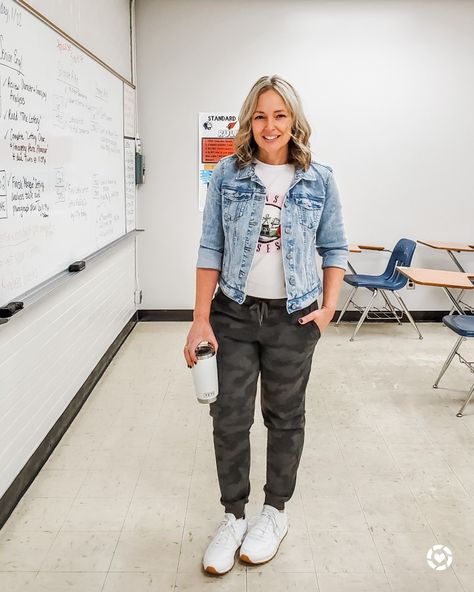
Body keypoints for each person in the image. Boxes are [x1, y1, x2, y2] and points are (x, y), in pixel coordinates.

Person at [184, 75, 348, 575]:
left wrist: (327, 311)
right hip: (232, 314)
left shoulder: (319, 179)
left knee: (285, 417)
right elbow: (211, 247)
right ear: (247, 121)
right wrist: (199, 320)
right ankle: (233, 516)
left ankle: (274, 512)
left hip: (294, 317)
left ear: (293, 120)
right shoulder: (227, 175)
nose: (269, 126)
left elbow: (335, 247)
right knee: (229, 418)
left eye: (279, 115)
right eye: (260, 116)